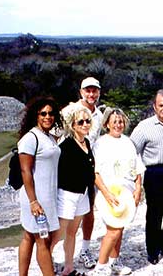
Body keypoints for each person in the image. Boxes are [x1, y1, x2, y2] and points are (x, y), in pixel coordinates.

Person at [130, 89, 163, 265]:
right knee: (154, 213)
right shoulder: (144, 127)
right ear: (154, 106)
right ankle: (152, 250)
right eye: (161, 105)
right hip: (154, 173)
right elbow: (131, 151)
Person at [55, 76, 103, 270]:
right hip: (69, 174)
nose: (91, 94)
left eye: (95, 91)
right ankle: (48, 254)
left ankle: (84, 249)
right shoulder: (69, 111)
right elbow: (54, 133)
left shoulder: (99, 115)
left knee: (88, 211)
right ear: (81, 92)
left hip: (88, 170)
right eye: (87, 91)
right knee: (63, 222)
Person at [91, 108, 145, 275]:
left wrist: (138, 189)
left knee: (120, 228)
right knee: (113, 230)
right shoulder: (100, 143)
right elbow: (95, 173)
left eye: (120, 121)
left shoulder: (128, 142)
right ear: (107, 123)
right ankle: (101, 266)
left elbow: (138, 169)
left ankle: (114, 262)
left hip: (126, 194)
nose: (118, 125)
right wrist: (106, 194)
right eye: (114, 121)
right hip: (108, 193)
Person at [17, 96, 62, 276]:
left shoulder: (49, 137)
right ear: (36, 115)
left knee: (29, 236)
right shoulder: (30, 138)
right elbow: (25, 171)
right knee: (43, 240)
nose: (47, 117)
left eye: (51, 113)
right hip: (36, 198)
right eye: (43, 113)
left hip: (47, 196)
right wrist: (33, 201)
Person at [50, 104, 95, 276]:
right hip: (67, 194)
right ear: (73, 125)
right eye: (80, 122)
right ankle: (46, 263)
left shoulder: (87, 143)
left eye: (87, 121)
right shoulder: (66, 146)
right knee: (58, 234)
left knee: (72, 232)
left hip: (82, 194)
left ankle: (68, 267)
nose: (85, 124)